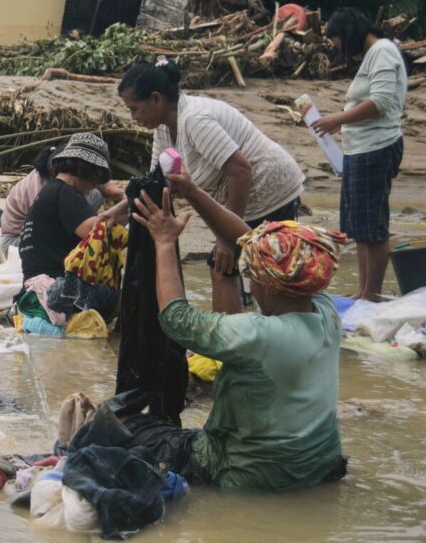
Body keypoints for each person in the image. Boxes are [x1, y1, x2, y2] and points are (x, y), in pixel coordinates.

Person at [123, 172, 348, 491]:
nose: (249, 279)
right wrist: (193, 192)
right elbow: (250, 242)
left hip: (248, 474)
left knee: (129, 427)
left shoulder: (259, 335)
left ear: (267, 286)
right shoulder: (325, 311)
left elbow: (176, 318)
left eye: (251, 273)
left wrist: (164, 243)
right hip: (320, 465)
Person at [103, 57, 305, 314]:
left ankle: (248, 342)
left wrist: (227, 239)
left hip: (271, 189)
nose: (133, 117)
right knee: (224, 268)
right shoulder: (164, 128)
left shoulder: (194, 120)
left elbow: (241, 171)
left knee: (266, 276)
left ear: (156, 99)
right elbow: (155, 184)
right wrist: (119, 211)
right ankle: (230, 345)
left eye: (134, 108)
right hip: (243, 197)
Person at [311, 7, 407, 302]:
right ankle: (364, 290)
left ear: (350, 33)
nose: (338, 47)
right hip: (361, 149)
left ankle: (372, 293)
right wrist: (343, 122)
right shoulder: (374, 54)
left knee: (373, 225)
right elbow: (370, 104)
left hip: (376, 148)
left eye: (338, 40)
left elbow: (380, 102)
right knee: (361, 226)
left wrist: (337, 119)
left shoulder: (382, 52)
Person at [15, 133, 114, 333]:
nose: (95, 185)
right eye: (96, 177)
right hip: (55, 291)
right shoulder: (67, 193)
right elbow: (95, 232)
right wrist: (123, 210)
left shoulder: (48, 191)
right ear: (86, 168)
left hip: (31, 290)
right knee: (122, 295)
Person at [0, 146, 123, 255]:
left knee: (95, 194)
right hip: (17, 240)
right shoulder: (44, 190)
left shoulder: (62, 178)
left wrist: (120, 195)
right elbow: (92, 232)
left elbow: (102, 185)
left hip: (40, 230)